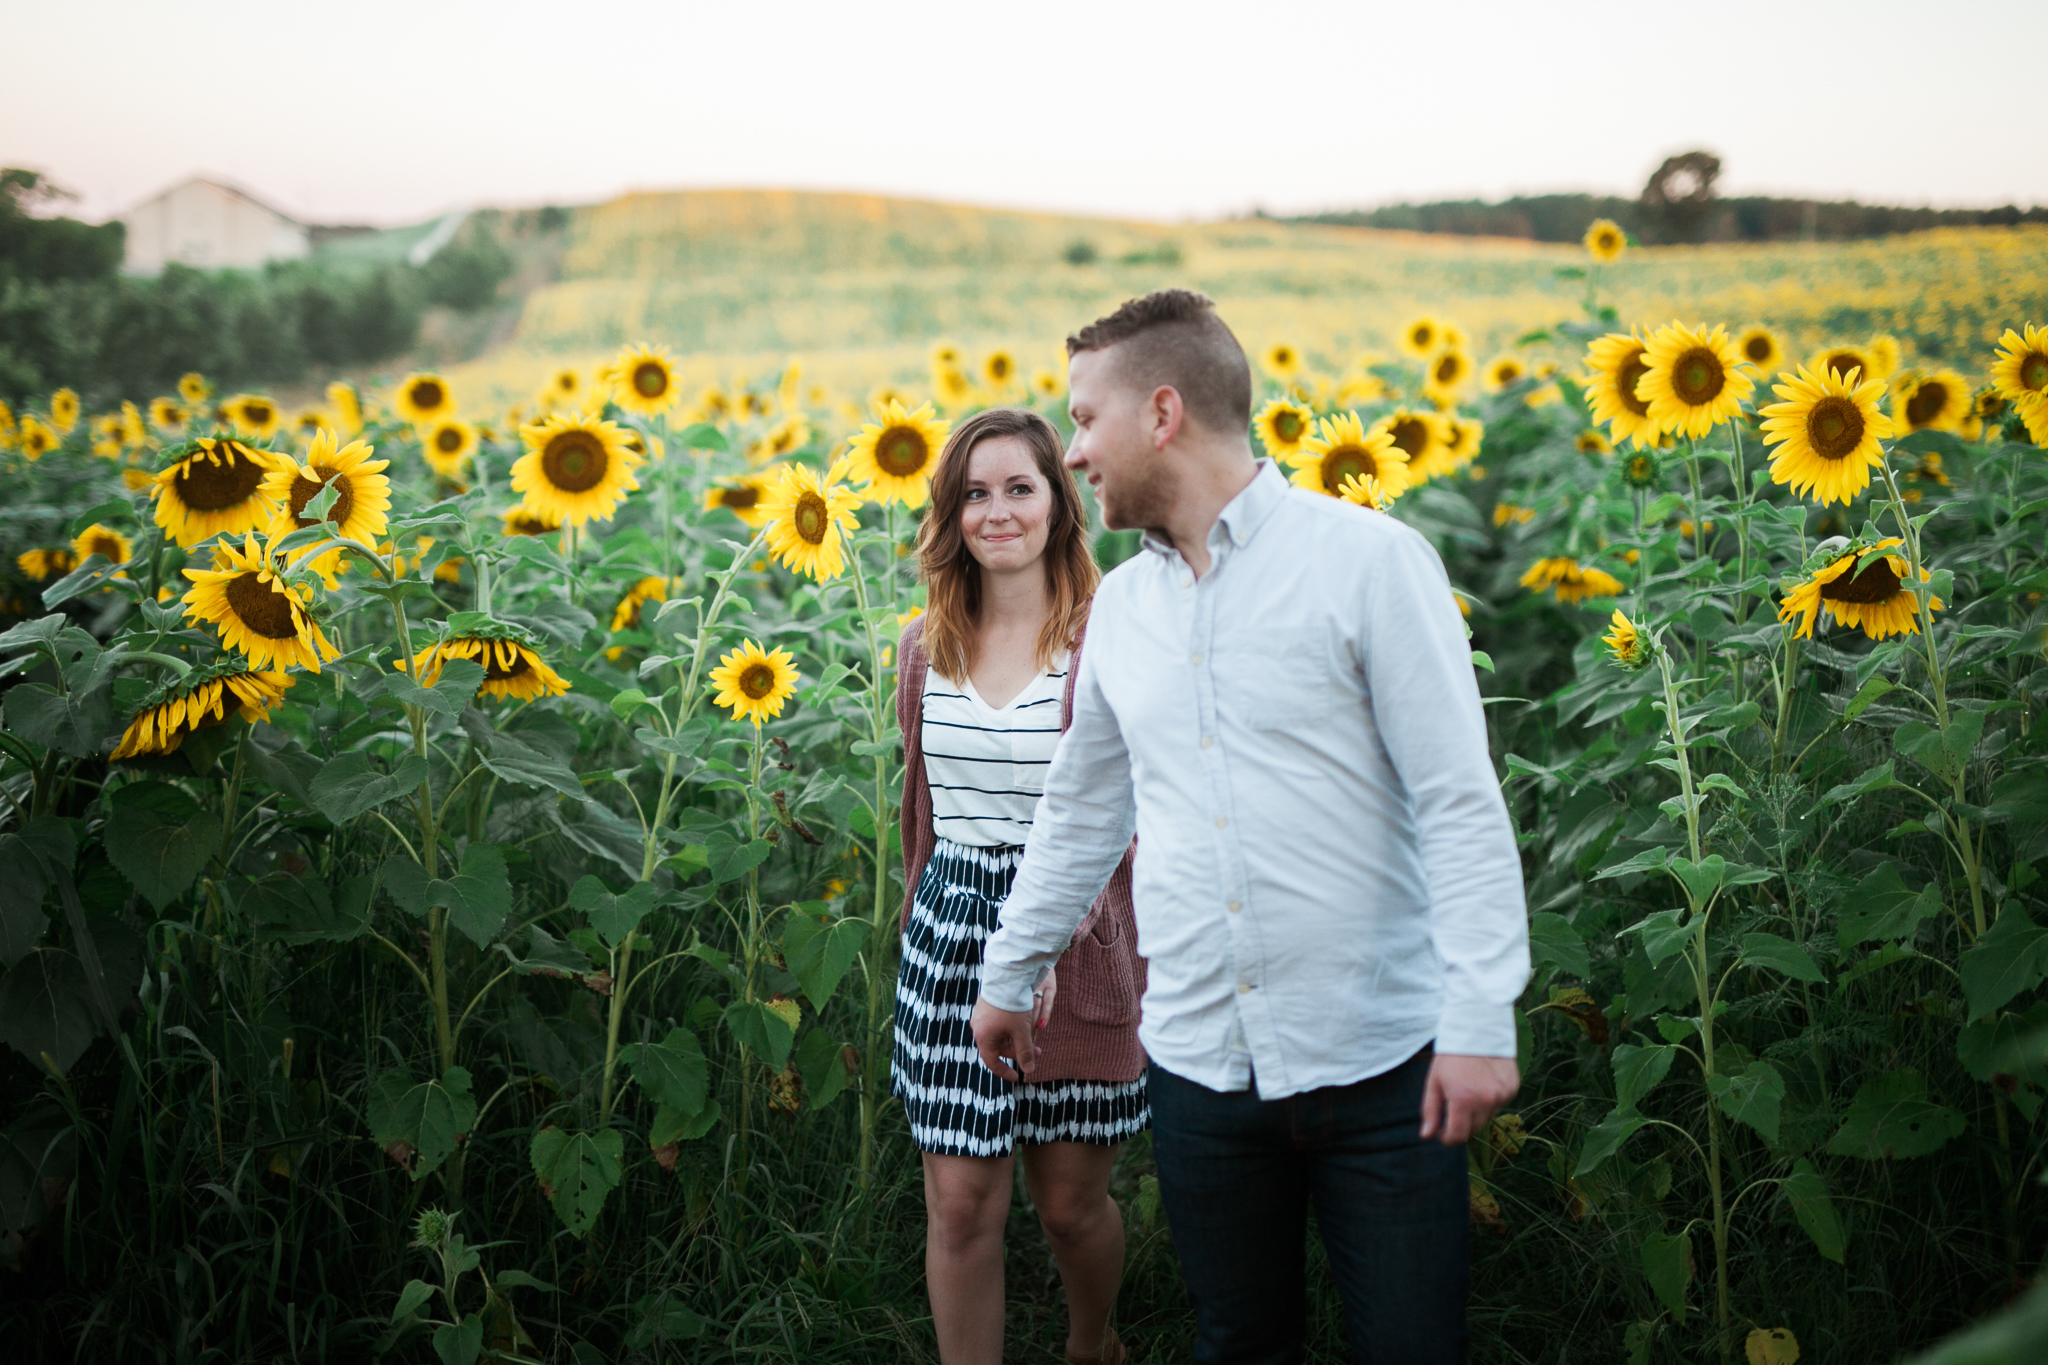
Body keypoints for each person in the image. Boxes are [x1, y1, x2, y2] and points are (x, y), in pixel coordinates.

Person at [970, 290, 1530, 1365]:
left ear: (1163, 413)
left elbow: (1456, 798)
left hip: (1383, 1066)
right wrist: (1012, 970)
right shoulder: (1124, 610)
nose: (1074, 452)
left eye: (1086, 420)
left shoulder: (1367, 563)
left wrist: (1476, 1015)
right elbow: (1083, 807)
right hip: (1198, 1074)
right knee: (1237, 1343)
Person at [893, 406, 1147, 1365]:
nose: (996, 512)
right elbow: (921, 816)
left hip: (1084, 940)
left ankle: (1093, 1344)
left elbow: (1132, 816)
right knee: (961, 1204)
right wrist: (923, 925)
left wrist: (1065, 940)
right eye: (973, 493)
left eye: (1018, 488)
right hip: (951, 936)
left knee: (1071, 1207)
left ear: (1058, 501)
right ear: (951, 513)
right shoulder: (925, 647)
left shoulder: (1108, 640)